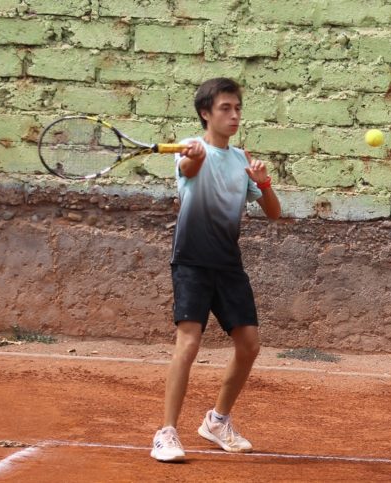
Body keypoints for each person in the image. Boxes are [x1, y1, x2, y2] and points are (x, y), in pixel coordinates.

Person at [151, 77, 281, 462]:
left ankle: (217, 421)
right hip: (192, 260)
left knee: (249, 344)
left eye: (238, 108)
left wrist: (264, 182)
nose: (234, 115)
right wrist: (194, 155)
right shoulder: (191, 149)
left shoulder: (242, 160)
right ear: (206, 113)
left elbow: (274, 213)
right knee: (189, 342)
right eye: (225, 108)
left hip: (228, 264)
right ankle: (167, 433)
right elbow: (189, 170)